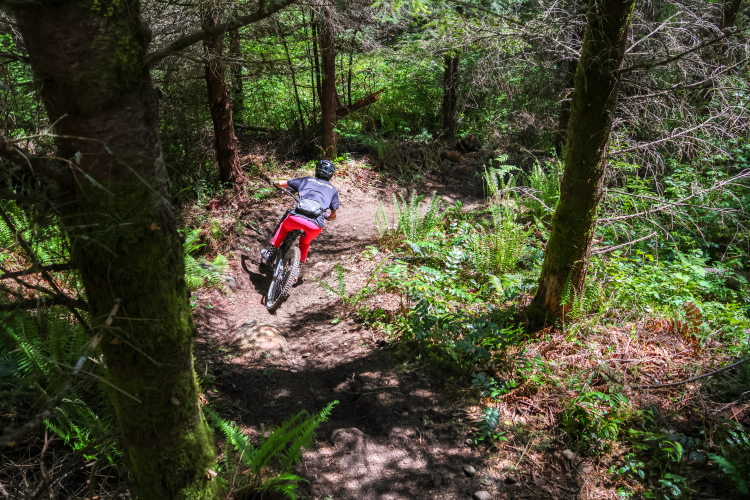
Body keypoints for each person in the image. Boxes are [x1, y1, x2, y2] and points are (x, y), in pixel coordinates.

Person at [260, 160, 339, 280]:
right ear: (331, 175)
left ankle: (270, 254)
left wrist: (275, 183)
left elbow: (281, 183)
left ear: (316, 171)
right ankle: (296, 269)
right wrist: (328, 217)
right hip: (315, 226)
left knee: (283, 228)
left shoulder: (307, 180)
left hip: (296, 218)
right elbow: (333, 215)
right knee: (305, 242)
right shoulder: (333, 190)